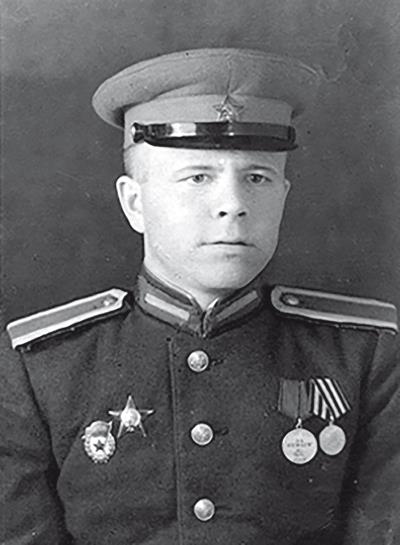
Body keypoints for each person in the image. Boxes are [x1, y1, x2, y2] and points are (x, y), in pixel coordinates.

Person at [1, 48, 399, 545]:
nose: (233, 204)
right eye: (197, 177)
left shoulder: (364, 355)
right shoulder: (42, 368)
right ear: (134, 203)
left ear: (283, 196)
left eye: (256, 178)